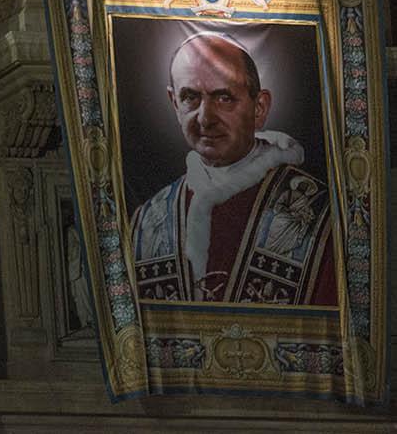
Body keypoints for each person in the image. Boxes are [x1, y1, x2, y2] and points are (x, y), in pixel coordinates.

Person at [129, 32, 336, 304]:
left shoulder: (320, 215)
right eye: (190, 97)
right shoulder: (147, 221)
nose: (205, 118)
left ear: (259, 107)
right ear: (174, 103)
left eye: (224, 98)